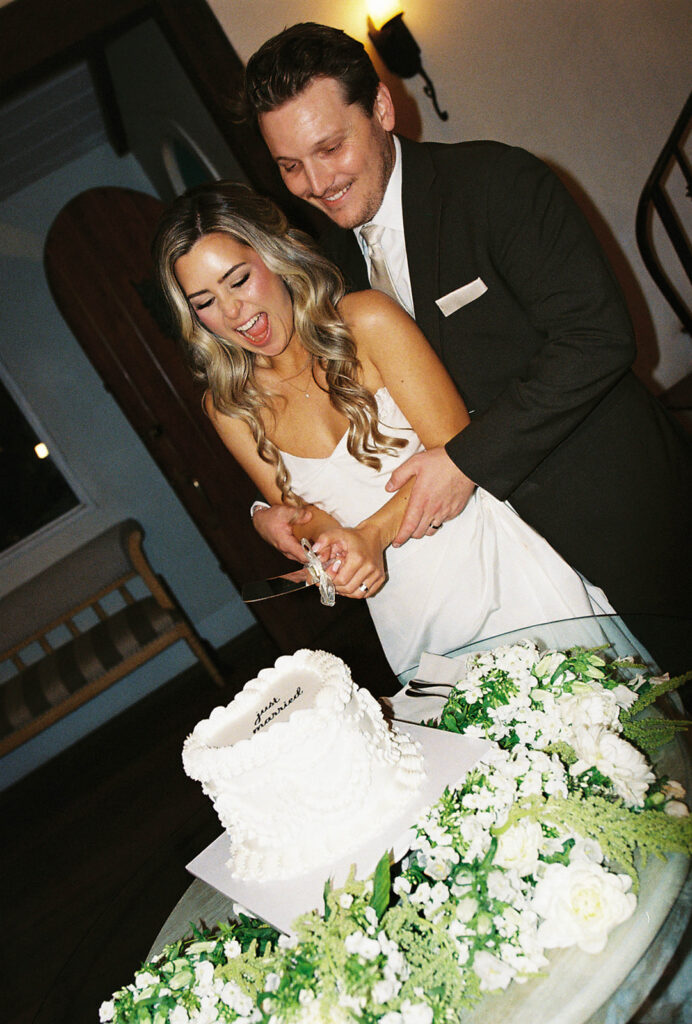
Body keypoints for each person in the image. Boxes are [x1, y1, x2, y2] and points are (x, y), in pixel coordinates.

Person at [242, 23, 692, 670]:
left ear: (383, 110)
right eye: (290, 166)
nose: (315, 182)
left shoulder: (496, 181)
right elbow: (305, 398)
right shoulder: (328, 273)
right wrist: (267, 509)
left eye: (330, 147)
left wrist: (466, 461)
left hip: (620, 525)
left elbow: (597, 339)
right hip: (500, 586)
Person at [153, 181, 612, 675]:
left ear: (274, 257)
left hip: (500, 576)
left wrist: (370, 535)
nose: (232, 313)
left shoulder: (366, 320)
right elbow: (305, 513)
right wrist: (330, 548)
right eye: (205, 301)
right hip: (408, 621)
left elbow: (463, 452)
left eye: (239, 280)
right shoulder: (229, 407)